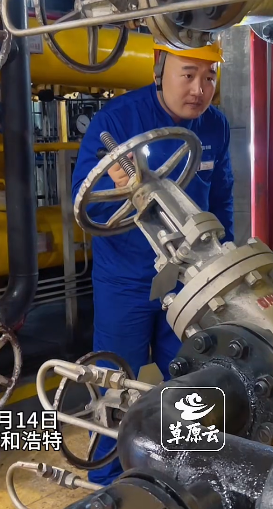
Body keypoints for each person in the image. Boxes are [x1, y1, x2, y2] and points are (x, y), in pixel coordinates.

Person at [71, 40, 234, 485]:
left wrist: (220, 263)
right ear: (160, 71)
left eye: (209, 77)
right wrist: (116, 191)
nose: (199, 89)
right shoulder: (116, 122)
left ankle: (188, 479)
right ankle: (106, 483)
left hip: (188, 278)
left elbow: (221, 198)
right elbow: (84, 202)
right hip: (125, 279)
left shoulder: (215, 125)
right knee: (115, 381)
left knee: (193, 379)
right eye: (188, 74)